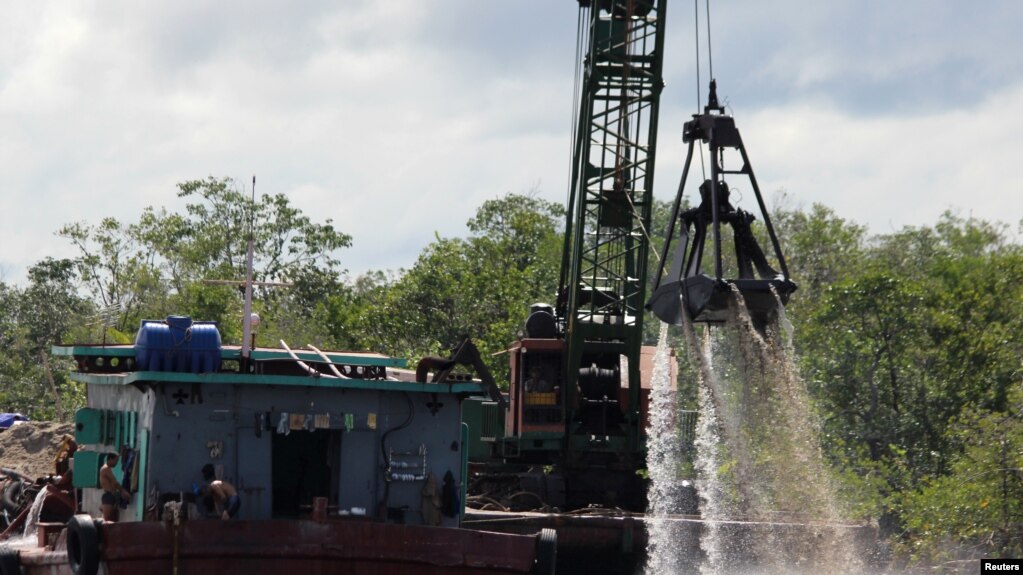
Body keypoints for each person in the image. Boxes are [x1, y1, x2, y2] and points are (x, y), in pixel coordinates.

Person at [99, 452, 130, 522]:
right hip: (108, 496)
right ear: (110, 459)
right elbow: (115, 482)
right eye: (115, 461)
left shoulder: (108, 469)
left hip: (111, 496)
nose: (116, 463)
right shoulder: (105, 469)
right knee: (106, 520)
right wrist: (123, 491)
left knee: (112, 519)